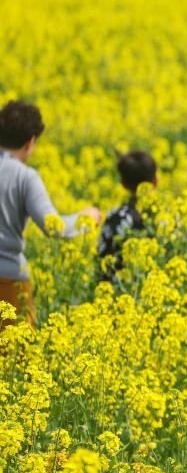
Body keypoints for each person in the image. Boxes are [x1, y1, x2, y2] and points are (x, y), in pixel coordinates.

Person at [0, 101, 101, 327]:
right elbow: (54, 227)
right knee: (15, 356)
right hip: (8, 280)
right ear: (30, 142)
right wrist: (87, 217)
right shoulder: (25, 177)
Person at [97, 150, 157, 283]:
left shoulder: (116, 218)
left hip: (118, 291)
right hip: (158, 290)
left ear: (123, 184)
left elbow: (102, 257)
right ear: (155, 181)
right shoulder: (167, 217)